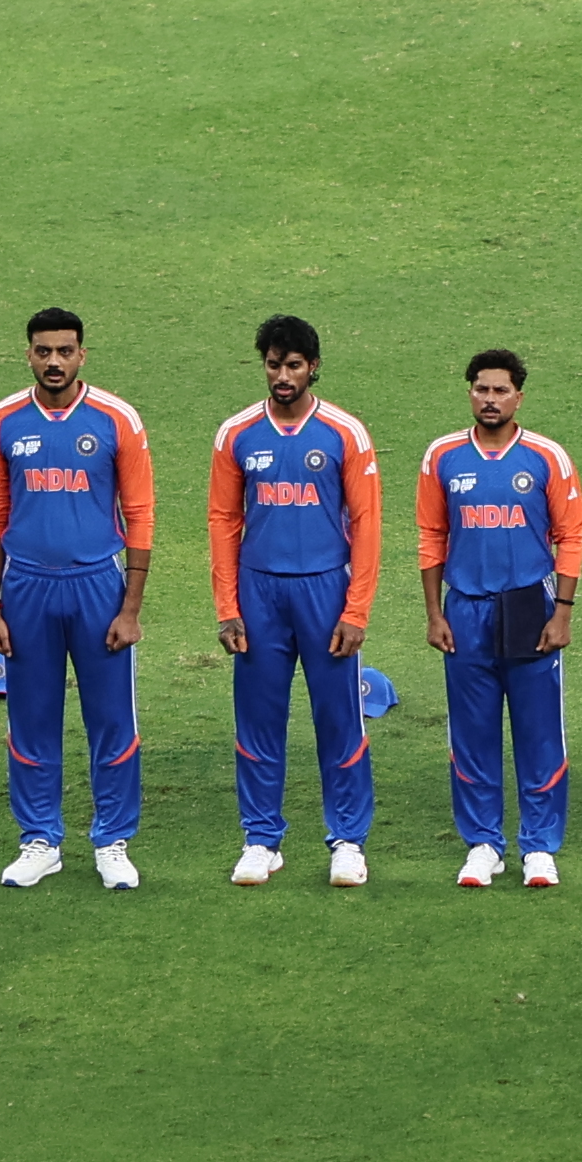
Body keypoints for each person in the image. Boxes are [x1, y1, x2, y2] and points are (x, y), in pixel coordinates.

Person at [0, 308, 155, 891]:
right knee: (30, 719)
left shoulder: (115, 419)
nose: (54, 361)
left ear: (82, 355)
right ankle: (40, 840)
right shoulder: (0, 421)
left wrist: (130, 608)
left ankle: (113, 840)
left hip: (97, 586)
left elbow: (141, 514)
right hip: (25, 587)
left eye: (66, 351)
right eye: (43, 351)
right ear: (27, 354)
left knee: (111, 720)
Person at [209, 315, 382, 889]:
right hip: (259, 594)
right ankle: (261, 840)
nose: (282, 376)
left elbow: (367, 523)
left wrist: (356, 610)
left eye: (293, 365)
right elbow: (222, 521)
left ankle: (348, 842)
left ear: (313, 368)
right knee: (258, 721)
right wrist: (226, 606)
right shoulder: (236, 434)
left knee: (339, 721)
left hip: (326, 591)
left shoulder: (343, 432)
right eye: (273, 364)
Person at [424, 351, 582, 889]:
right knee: (472, 735)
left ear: (519, 396)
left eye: (500, 390)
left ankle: (539, 847)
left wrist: (561, 613)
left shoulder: (545, 457)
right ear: (469, 393)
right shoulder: (442, 457)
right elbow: (431, 538)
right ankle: (483, 844)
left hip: (529, 607)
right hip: (464, 609)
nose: (489, 399)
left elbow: (571, 537)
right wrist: (433, 613)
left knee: (539, 734)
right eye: (481, 389)